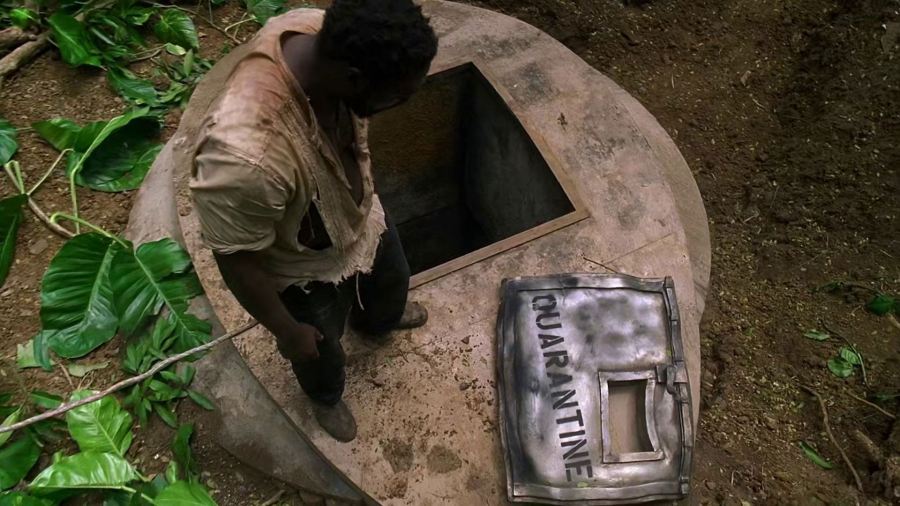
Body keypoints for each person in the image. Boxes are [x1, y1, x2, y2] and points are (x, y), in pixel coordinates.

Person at [189, 0, 438, 442]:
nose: (402, 104)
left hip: (360, 219)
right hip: (304, 269)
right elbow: (236, 258)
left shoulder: (317, 30)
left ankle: (379, 321)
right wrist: (286, 329)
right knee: (319, 350)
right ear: (354, 79)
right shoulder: (245, 158)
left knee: (391, 279)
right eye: (398, 96)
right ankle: (326, 396)